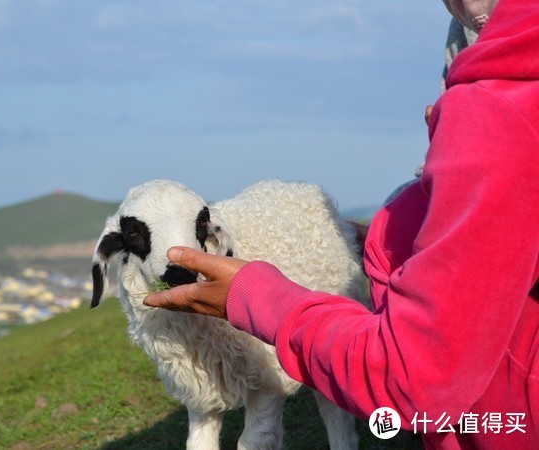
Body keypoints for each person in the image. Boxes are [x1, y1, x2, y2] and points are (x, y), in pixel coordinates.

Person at [143, 0, 539, 448]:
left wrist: (256, 298)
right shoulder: (487, 53)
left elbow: (415, 376)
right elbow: (499, 227)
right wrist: (400, 238)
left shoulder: (498, 105)